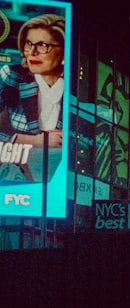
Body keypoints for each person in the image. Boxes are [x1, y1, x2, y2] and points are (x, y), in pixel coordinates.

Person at [0, 14, 65, 182]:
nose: (32, 52)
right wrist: (36, 140)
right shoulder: (12, 76)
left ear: (64, 51)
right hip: (16, 174)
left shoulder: (75, 88)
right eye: (29, 44)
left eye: (43, 45)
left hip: (57, 179)